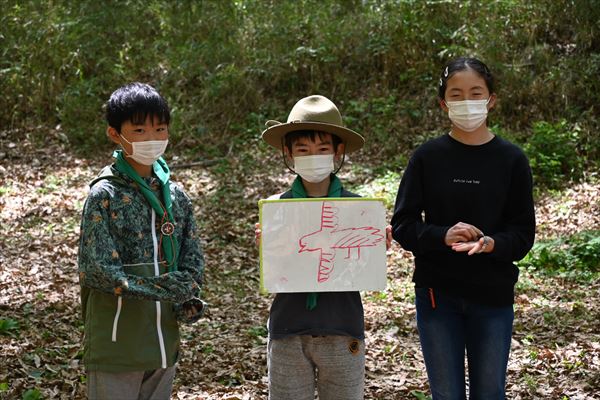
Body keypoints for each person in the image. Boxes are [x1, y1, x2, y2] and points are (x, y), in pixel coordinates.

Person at [391, 57, 536, 399]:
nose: (467, 102)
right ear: (443, 103)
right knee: (447, 394)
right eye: (456, 95)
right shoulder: (427, 157)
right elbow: (403, 225)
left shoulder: (512, 160)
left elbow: (522, 235)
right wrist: (441, 235)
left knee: (489, 392)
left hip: (493, 296)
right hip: (437, 296)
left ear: (491, 99)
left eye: (476, 93)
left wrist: (490, 244)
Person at [256, 95, 392, 400]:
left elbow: (361, 269)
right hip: (288, 330)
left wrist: (374, 247)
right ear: (288, 152)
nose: (312, 156)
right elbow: (277, 271)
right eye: (303, 149)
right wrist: (268, 249)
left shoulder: (358, 209)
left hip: (343, 328)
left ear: (337, 151)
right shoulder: (276, 209)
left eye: (322, 149)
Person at [78, 82, 205, 400]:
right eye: (139, 130)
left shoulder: (175, 195)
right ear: (114, 134)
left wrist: (187, 293)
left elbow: (193, 264)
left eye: (160, 129)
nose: (152, 139)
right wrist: (162, 288)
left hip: (163, 341)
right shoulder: (104, 194)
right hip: (116, 341)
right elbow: (97, 270)